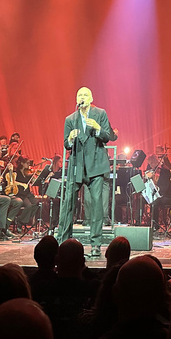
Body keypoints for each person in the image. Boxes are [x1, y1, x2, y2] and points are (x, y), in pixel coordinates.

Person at [58, 87, 114, 259]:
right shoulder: (70, 119)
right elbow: (66, 144)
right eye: (79, 95)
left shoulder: (100, 113)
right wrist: (70, 139)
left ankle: (96, 244)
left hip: (96, 166)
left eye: (85, 95)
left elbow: (108, 136)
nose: (82, 97)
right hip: (77, 166)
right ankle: (63, 241)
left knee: (96, 205)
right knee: (68, 202)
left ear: (91, 98)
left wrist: (97, 128)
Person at [0, 142, 23, 232]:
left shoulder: (0, 163)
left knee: (18, 201)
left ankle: (5, 227)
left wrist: (10, 171)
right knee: (6, 200)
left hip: (0, 192)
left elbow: (5, 178)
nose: (1, 152)